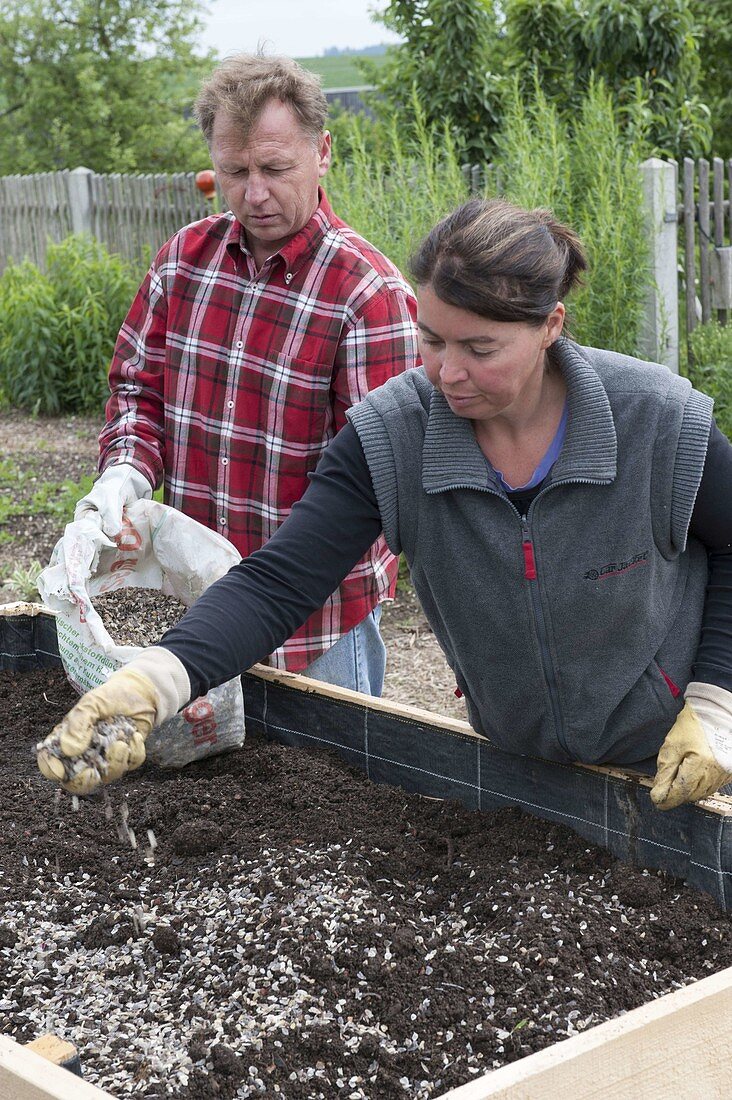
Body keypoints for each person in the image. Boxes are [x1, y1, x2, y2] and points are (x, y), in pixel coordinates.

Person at [39, 198, 732, 812]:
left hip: (678, 761)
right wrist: (156, 681)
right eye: (431, 339)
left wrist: (716, 705)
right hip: (517, 769)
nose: (446, 372)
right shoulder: (394, 436)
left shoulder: (658, 422)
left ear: (551, 325)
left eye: (480, 348)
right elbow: (279, 582)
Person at [71, 53, 418, 695]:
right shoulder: (183, 263)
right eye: (234, 171)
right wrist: (125, 469)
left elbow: (379, 478)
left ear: (323, 153)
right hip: (197, 600)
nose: (254, 193)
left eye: (275, 168)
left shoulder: (368, 295)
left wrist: (273, 586)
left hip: (317, 623)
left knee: (330, 789)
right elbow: (137, 390)